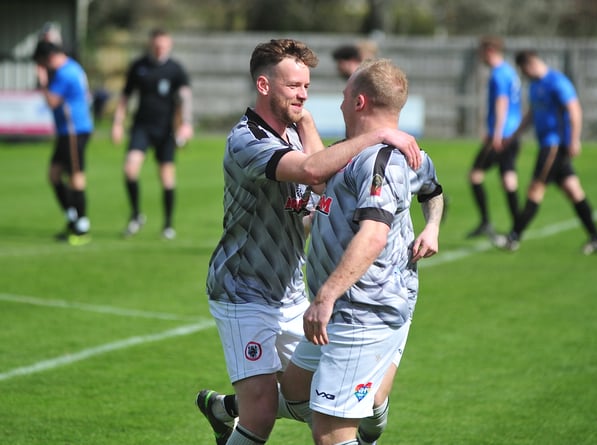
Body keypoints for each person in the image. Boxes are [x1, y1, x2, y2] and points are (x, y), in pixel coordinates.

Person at [196, 39, 421, 445]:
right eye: (292, 86)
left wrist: (308, 124)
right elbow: (313, 169)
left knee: (319, 399)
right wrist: (381, 133)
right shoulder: (247, 139)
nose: (302, 94)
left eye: (306, 87)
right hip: (243, 289)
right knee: (263, 412)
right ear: (264, 86)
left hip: (291, 290)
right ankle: (238, 411)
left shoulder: (297, 131)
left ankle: (222, 408)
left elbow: (324, 183)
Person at [280, 58, 435, 445]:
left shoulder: (382, 162)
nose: (341, 102)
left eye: (346, 95)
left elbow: (373, 236)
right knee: (295, 392)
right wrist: (432, 225)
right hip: (351, 310)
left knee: (331, 434)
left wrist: (326, 296)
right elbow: (434, 190)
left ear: (360, 102)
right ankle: (371, 403)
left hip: (360, 312)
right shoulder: (363, 152)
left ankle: (366, 404)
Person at [494, 50, 597, 254]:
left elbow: (575, 110)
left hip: (554, 146)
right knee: (573, 190)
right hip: (548, 145)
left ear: (529, 65)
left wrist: (574, 140)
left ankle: (513, 237)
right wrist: (513, 136)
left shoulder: (557, 82)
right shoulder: (535, 86)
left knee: (535, 190)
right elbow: (531, 114)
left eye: (523, 70)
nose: (524, 75)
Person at [111, 28, 193, 240]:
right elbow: (125, 97)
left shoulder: (175, 70)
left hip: (165, 130)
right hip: (141, 127)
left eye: (163, 46)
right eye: (156, 45)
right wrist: (118, 123)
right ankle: (136, 215)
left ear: (169, 45)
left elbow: (185, 98)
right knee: (130, 170)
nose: (159, 49)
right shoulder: (139, 66)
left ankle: (167, 225)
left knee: (166, 178)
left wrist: (186, 124)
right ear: (151, 44)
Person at [33, 40, 94, 246]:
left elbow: (52, 102)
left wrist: (42, 82)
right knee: (54, 175)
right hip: (66, 131)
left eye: (42, 63)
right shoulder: (72, 67)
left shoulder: (64, 73)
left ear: (48, 59)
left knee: (75, 175)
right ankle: (72, 218)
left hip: (73, 130)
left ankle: (82, 226)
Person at [466, 35, 522, 239]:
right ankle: (518, 226)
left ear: (489, 50)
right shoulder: (510, 72)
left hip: (501, 135)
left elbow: (502, 103)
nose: (479, 56)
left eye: (481, 51)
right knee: (508, 179)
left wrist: (495, 134)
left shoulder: (498, 74)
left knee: (475, 175)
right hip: (513, 134)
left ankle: (486, 222)